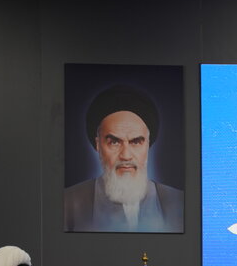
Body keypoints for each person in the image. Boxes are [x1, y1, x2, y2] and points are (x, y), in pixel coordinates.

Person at [64, 84, 183, 233]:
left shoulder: (180, 203)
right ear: (98, 145)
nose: (126, 155)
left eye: (136, 142)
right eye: (114, 142)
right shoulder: (67, 203)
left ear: (148, 144)